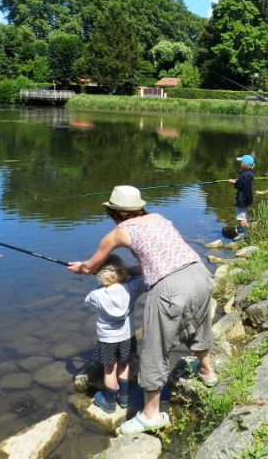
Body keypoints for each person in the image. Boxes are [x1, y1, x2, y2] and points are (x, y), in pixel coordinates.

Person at [67, 186, 216, 435]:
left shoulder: (117, 233)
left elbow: (90, 267)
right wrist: (128, 273)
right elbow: (159, 258)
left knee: (155, 349)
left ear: (114, 211)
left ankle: (150, 414)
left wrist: (80, 267)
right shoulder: (159, 218)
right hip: (198, 272)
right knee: (198, 325)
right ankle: (207, 371)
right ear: (139, 206)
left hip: (170, 287)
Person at [84, 254, 143, 413]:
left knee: (109, 369)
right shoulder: (132, 287)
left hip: (107, 340)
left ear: (101, 276)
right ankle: (124, 399)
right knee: (124, 365)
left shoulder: (97, 294)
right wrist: (126, 274)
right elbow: (144, 273)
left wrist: (100, 281)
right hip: (127, 337)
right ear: (121, 272)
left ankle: (109, 402)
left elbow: (87, 299)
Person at [229, 155, 254, 241]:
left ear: (245, 164)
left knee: (241, 216)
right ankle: (244, 231)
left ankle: (242, 233)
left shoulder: (244, 175)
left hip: (242, 199)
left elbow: (239, 185)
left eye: (241, 162)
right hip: (248, 198)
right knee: (244, 215)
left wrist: (233, 182)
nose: (240, 163)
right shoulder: (250, 173)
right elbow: (243, 182)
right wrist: (238, 180)